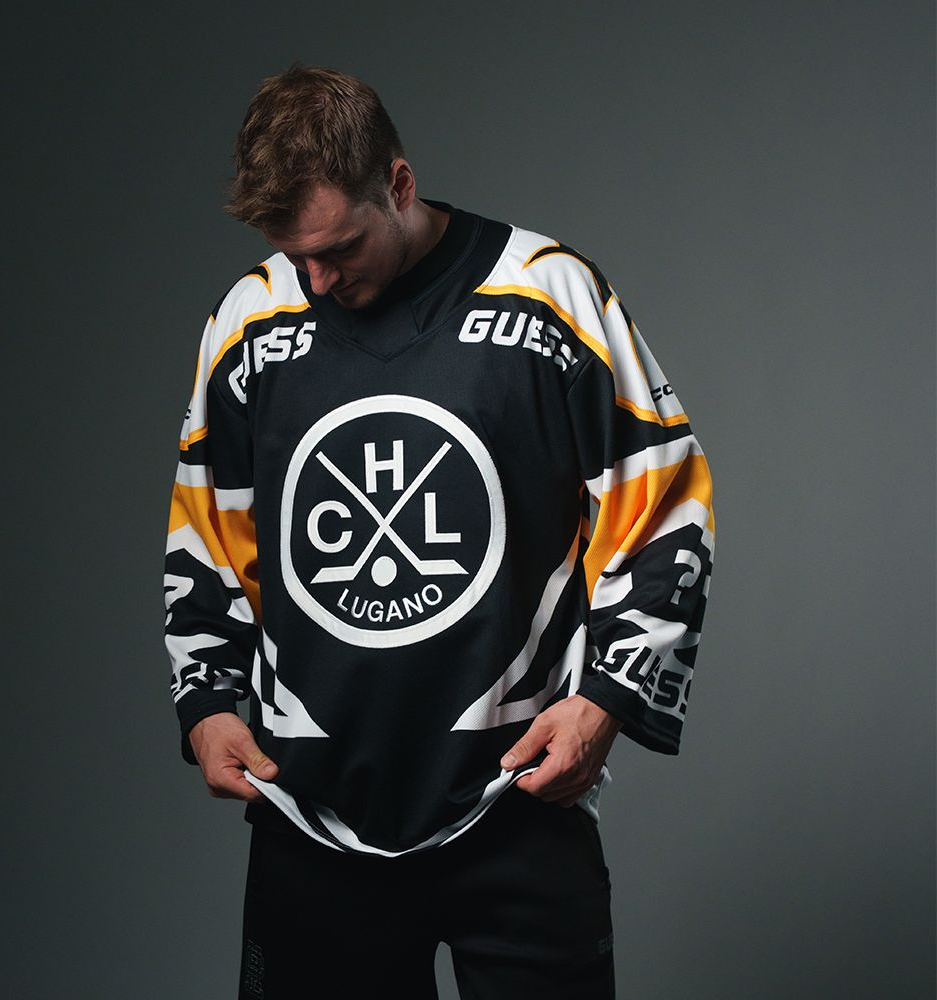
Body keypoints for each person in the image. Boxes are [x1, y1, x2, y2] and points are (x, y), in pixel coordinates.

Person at [163, 62, 715, 1000]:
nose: (318, 279)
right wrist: (207, 701)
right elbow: (208, 525)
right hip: (312, 812)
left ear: (399, 183)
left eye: (339, 248)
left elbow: (662, 496)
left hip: (515, 802)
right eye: (296, 256)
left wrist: (607, 702)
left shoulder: (549, 294)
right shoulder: (248, 320)